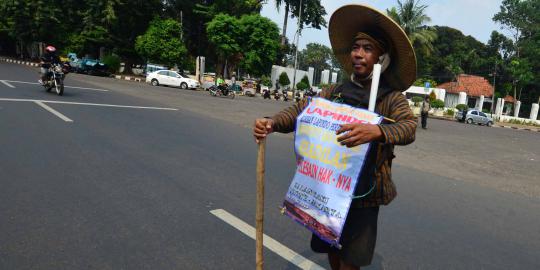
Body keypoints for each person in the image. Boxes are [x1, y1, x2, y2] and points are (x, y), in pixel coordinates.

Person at [253, 4, 417, 270]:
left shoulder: (390, 98)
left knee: (352, 260)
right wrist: (271, 122)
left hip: (364, 195)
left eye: (368, 49)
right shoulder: (334, 92)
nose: (359, 54)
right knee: (330, 248)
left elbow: (408, 127)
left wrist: (377, 131)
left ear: (381, 58)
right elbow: (301, 111)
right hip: (328, 190)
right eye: (356, 47)